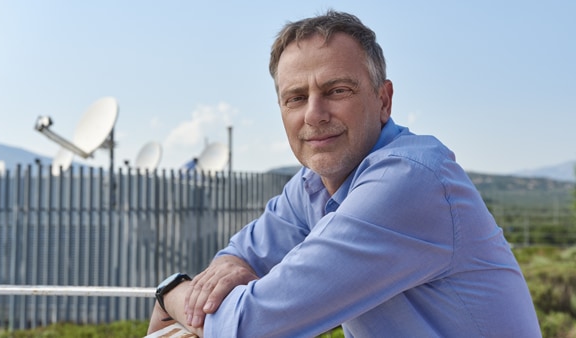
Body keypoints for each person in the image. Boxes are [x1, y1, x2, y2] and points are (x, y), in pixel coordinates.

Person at [147, 10, 541, 337]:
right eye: (296, 98)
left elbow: (250, 326)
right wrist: (230, 266)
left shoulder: (410, 180)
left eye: (337, 91)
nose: (315, 115)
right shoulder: (312, 186)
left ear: (383, 100)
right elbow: (238, 255)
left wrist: (170, 292)